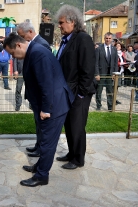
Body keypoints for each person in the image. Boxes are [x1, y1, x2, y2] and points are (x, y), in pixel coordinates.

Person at [3, 33, 74, 187]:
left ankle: (42, 176)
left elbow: (46, 83)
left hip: (54, 105)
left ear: (19, 45)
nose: (13, 57)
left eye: (12, 53)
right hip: (50, 104)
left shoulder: (37, 53)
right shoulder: (34, 50)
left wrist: (46, 109)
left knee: (48, 142)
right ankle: (39, 167)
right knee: (44, 141)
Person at [55, 5, 96, 170]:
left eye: (62, 22)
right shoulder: (67, 40)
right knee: (69, 125)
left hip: (79, 93)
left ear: (72, 21)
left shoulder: (82, 38)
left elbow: (88, 69)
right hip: (67, 92)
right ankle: (72, 153)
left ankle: (78, 159)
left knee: (77, 126)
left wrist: (80, 94)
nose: (59, 26)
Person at [16, 21, 51, 157]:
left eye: (22, 35)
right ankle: (38, 145)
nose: (21, 39)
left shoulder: (41, 44)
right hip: (34, 92)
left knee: (41, 123)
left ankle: (41, 149)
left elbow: (44, 74)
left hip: (39, 93)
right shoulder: (34, 44)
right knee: (37, 122)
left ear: (30, 32)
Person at [95, 32, 118, 111]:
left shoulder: (114, 49)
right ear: (104, 39)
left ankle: (110, 107)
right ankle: (98, 106)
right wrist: (97, 73)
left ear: (112, 39)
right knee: (99, 91)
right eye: (106, 38)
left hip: (110, 74)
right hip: (101, 74)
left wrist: (115, 74)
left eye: (109, 38)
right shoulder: (99, 48)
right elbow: (96, 62)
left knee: (110, 91)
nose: (108, 40)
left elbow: (115, 63)